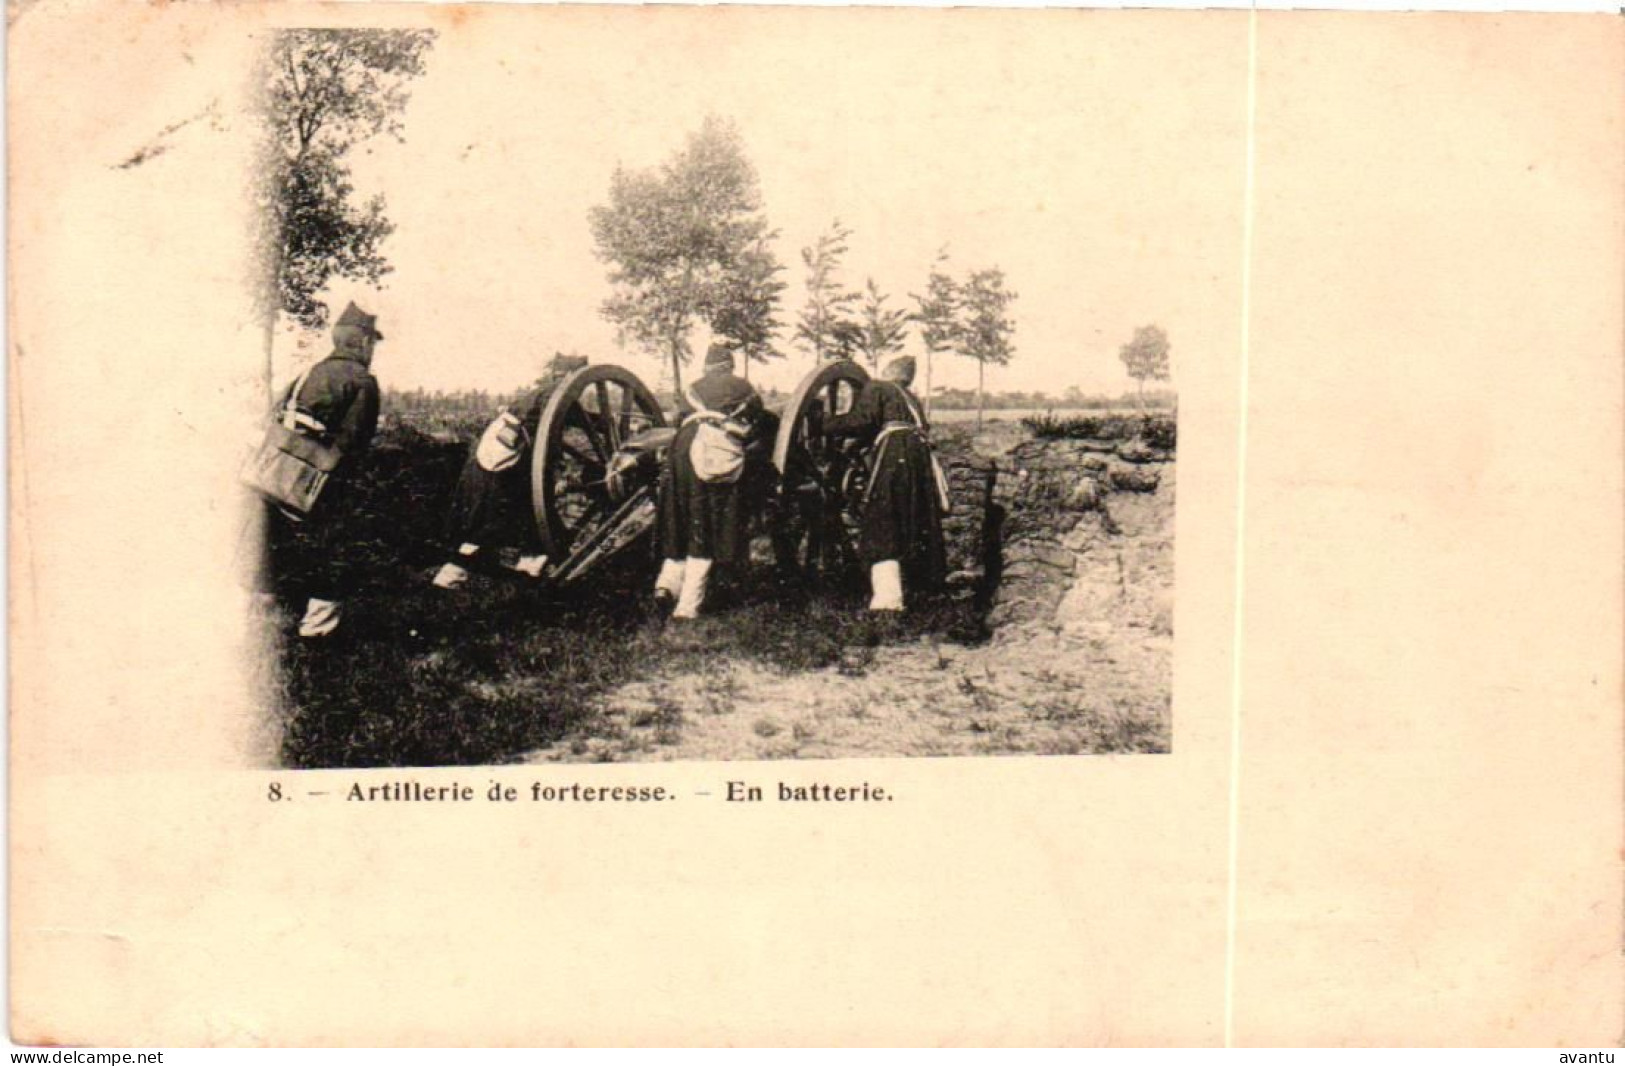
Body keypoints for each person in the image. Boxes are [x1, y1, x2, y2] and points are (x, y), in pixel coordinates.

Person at [261, 301, 384, 638]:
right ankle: (318, 630)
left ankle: (262, 617)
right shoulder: (362, 381)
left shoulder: (308, 373)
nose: (372, 349)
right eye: (372, 342)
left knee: (275, 542)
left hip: (277, 474)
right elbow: (354, 441)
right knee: (333, 549)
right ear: (360, 342)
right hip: (324, 480)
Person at [432, 353, 589, 589]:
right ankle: (526, 569)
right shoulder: (557, 395)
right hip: (508, 468)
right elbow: (567, 429)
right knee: (508, 517)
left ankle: (519, 570)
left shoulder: (536, 394)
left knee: (486, 520)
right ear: (568, 377)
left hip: (488, 462)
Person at [823, 355, 948, 612]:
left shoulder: (878, 387)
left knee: (883, 519)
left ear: (887, 371)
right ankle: (920, 590)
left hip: (894, 453)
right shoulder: (909, 398)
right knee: (914, 518)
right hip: (918, 456)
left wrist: (825, 424)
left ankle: (887, 601)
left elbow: (862, 422)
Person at [654, 343, 766, 619]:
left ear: (707, 366)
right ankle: (688, 606)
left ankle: (666, 584)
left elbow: (677, 419)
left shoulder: (692, 388)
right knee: (707, 522)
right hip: (712, 451)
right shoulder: (742, 387)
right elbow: (759, 421)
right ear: (729, 365)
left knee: (682, 516)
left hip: (681, 449)